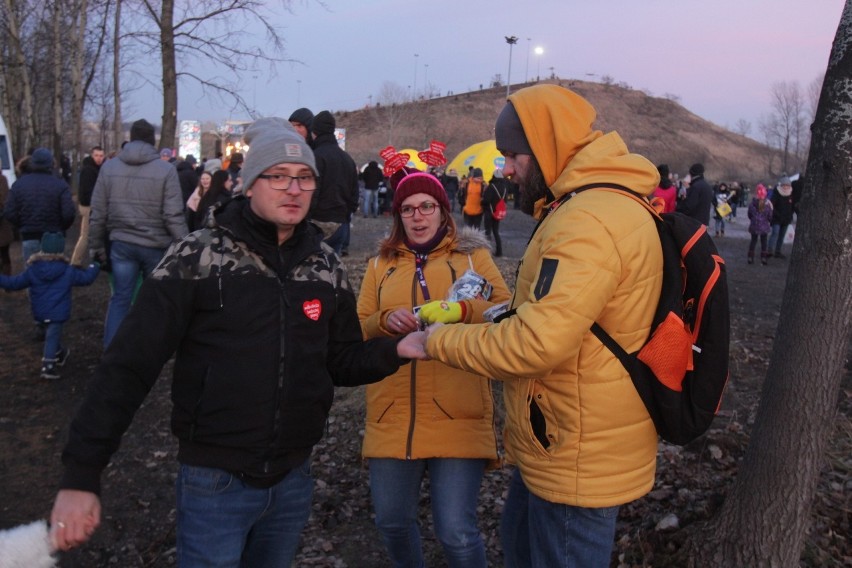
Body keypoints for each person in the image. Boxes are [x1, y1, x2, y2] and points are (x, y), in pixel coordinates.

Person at [49, 117, 418, 565]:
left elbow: (339, 360)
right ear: (248, 184)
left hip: (292, 477)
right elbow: (129, 364)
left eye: (304, 178)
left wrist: (394, 350)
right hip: (215, 480)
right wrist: (82, 474)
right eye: (278, 176)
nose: (293, 189)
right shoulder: (198, 256)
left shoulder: (323, 265)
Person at [404, 84, 664, 567]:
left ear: (547, 146)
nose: (505, 169)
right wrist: (474, 313)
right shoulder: (587, 205)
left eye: (513, 156)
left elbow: (536, 343)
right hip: (560, 438)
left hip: (576, 452)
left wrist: (438, 340)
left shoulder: (588, 221)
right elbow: (551, 314)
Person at [357, 166, 510, 568]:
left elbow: (505, 308)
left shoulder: (473, 257)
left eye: (427, 206)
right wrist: (384, 320)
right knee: (391, 523)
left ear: (444, 211)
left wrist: (459, 308)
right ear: (398, 217)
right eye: (407, 209)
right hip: (393, 413)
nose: (418, 216)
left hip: (458, 409)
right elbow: (359, 324)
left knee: (456, 533)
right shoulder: (380, 264)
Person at [88, 119, 187, 348]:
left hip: (121, 243)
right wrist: (185, 247)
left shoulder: (109, 168)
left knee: (120, 298)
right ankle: (147, 353)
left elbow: (98, 212)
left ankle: (112, 351)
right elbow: (173, 216)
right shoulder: (166, 170)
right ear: (152, 140)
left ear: (131, 138)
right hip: (155, 245)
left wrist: (97, 246)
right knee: (153, 301)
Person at [0, 232, 100, 379]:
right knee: (53, 334)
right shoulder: (67, 270)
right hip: (58, 311)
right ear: (60, 250)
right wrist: (94, 265)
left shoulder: (33, 270)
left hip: (40, 311)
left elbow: (13, 284)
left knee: (51, 334)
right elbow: (87, 279)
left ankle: (60, 353)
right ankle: (48, 366)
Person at [3, 147, 76, 264]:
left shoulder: (19, 184)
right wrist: (60, 228)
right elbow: (69, 213)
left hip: (29, 236)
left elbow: (9, 211)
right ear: (51, 163)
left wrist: (22, 225)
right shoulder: (60, 185)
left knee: (32, 274)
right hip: (54, 236)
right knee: (54, 273)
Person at [308, 110, 359, 255]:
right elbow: (354, 194)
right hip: (340, 224)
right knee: (333, 272)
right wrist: (345, 215)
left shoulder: (316, 157)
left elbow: (313, 191)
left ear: (314, 132)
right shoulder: (347, 159)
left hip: (317, 224)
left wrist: (308, 217)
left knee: (312, 272)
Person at [71, 146, 106, 266]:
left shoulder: (96, 169)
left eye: (101, 156)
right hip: (88, 206)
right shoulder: (89, 170)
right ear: (92, 155)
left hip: (91, 204)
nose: (99, 158)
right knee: (85, 235)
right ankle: (75, 261)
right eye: (96, 155)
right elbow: (87, 191)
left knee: (92, 234)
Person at [482, 168, 510, 256]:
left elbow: (486, 200)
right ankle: (499, 251)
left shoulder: (491, 186)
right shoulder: (505, 188)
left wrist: (481, 202)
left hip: (489, 212)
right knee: (496, 231)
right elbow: (505, 201)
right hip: (498, 213)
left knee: (487, 232)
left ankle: (486, 252)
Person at [768, 175, 795, 259]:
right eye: (784, 185)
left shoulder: (791, 194)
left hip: (786, 219)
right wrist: (776, 214)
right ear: (781, 185)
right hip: (776, 218)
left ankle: (778, 251)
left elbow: (792, 207)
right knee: (775, 233)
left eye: (787, 185)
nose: (786, 187)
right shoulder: (776, 193)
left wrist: (790, 216)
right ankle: (769, 251)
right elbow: (771, 205)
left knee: (781, 236)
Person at [747, 183, 773, 265]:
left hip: (754, 226)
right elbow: (770, 216)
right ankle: (763, 258)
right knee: (764, 242)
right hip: (764, 227)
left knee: (753, 241)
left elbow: (749, 215)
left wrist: (754, 220)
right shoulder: (767, 205)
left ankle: (750, 257)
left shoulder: (752, 205)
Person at [0, 174, 13, 275]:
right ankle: (6, 281)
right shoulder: (2, 179)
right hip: (3, 222)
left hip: (3, 224)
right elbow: (6, 200)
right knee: (5, 254)